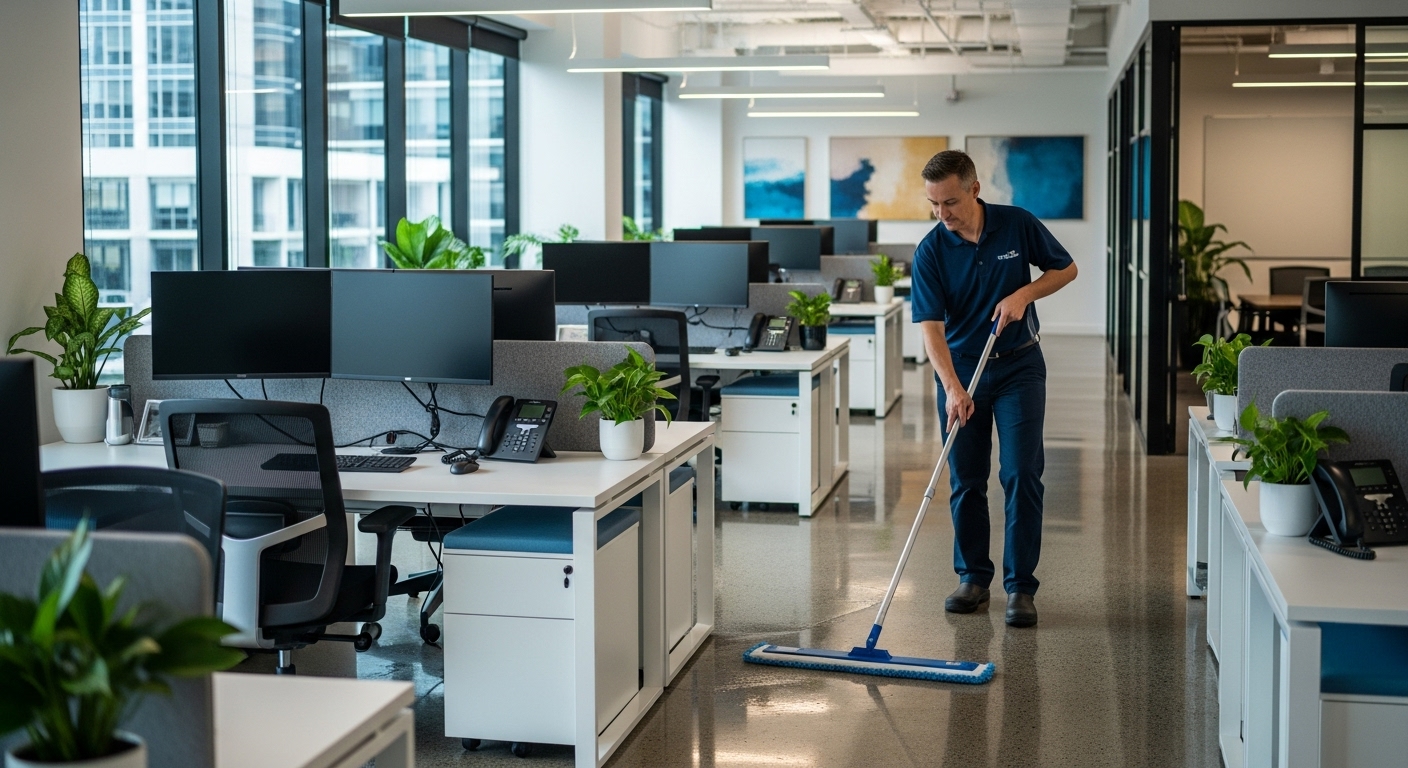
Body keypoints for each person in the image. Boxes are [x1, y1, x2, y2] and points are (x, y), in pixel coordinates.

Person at [909, 150, 1079, 628]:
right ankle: (973, 578)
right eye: (933, 205)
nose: (942, 214)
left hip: (1019, 366)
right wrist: (953, 388)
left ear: (974, 188)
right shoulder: (931, 251)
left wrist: (1024, 293)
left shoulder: (1016, 224)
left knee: (1022, 473)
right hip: (962, 369)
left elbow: (1066, 269)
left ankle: (1020, 587)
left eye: (950, 202)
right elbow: (930, 328)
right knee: (965, 478)